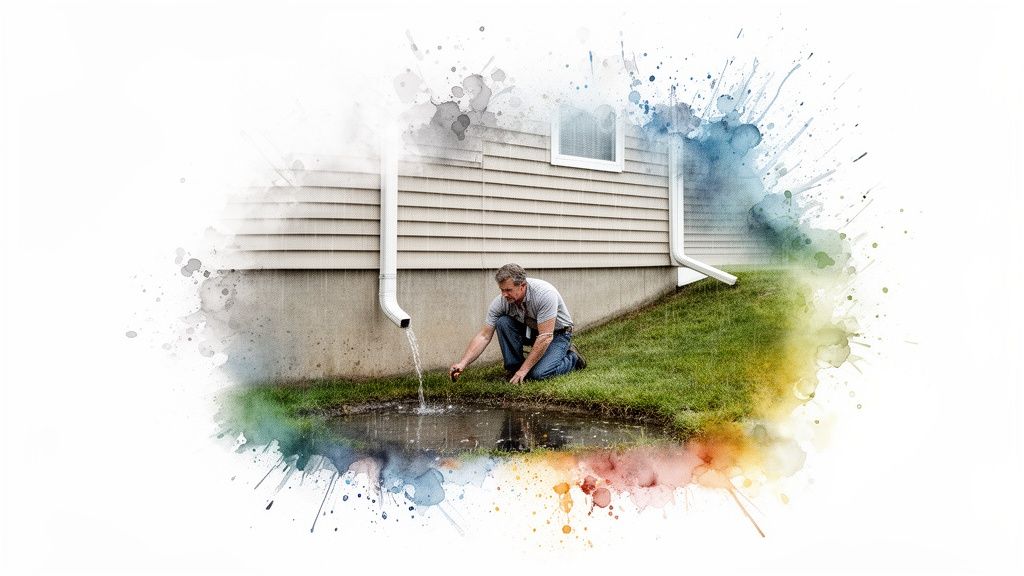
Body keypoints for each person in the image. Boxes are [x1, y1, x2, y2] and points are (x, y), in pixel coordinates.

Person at [450, 263, 586, 384]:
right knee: (502, 322)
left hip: (557, 334)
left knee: (538, 375)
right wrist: (462, 363)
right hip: (532, 331)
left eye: (508, 290)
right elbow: (484, 336)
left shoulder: (544, 294)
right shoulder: (501, 301)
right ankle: (513, 370)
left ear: (522, 286)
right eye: (501, 290)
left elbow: (545, 337)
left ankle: (573, 359)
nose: (504, 294)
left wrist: (524, 370)